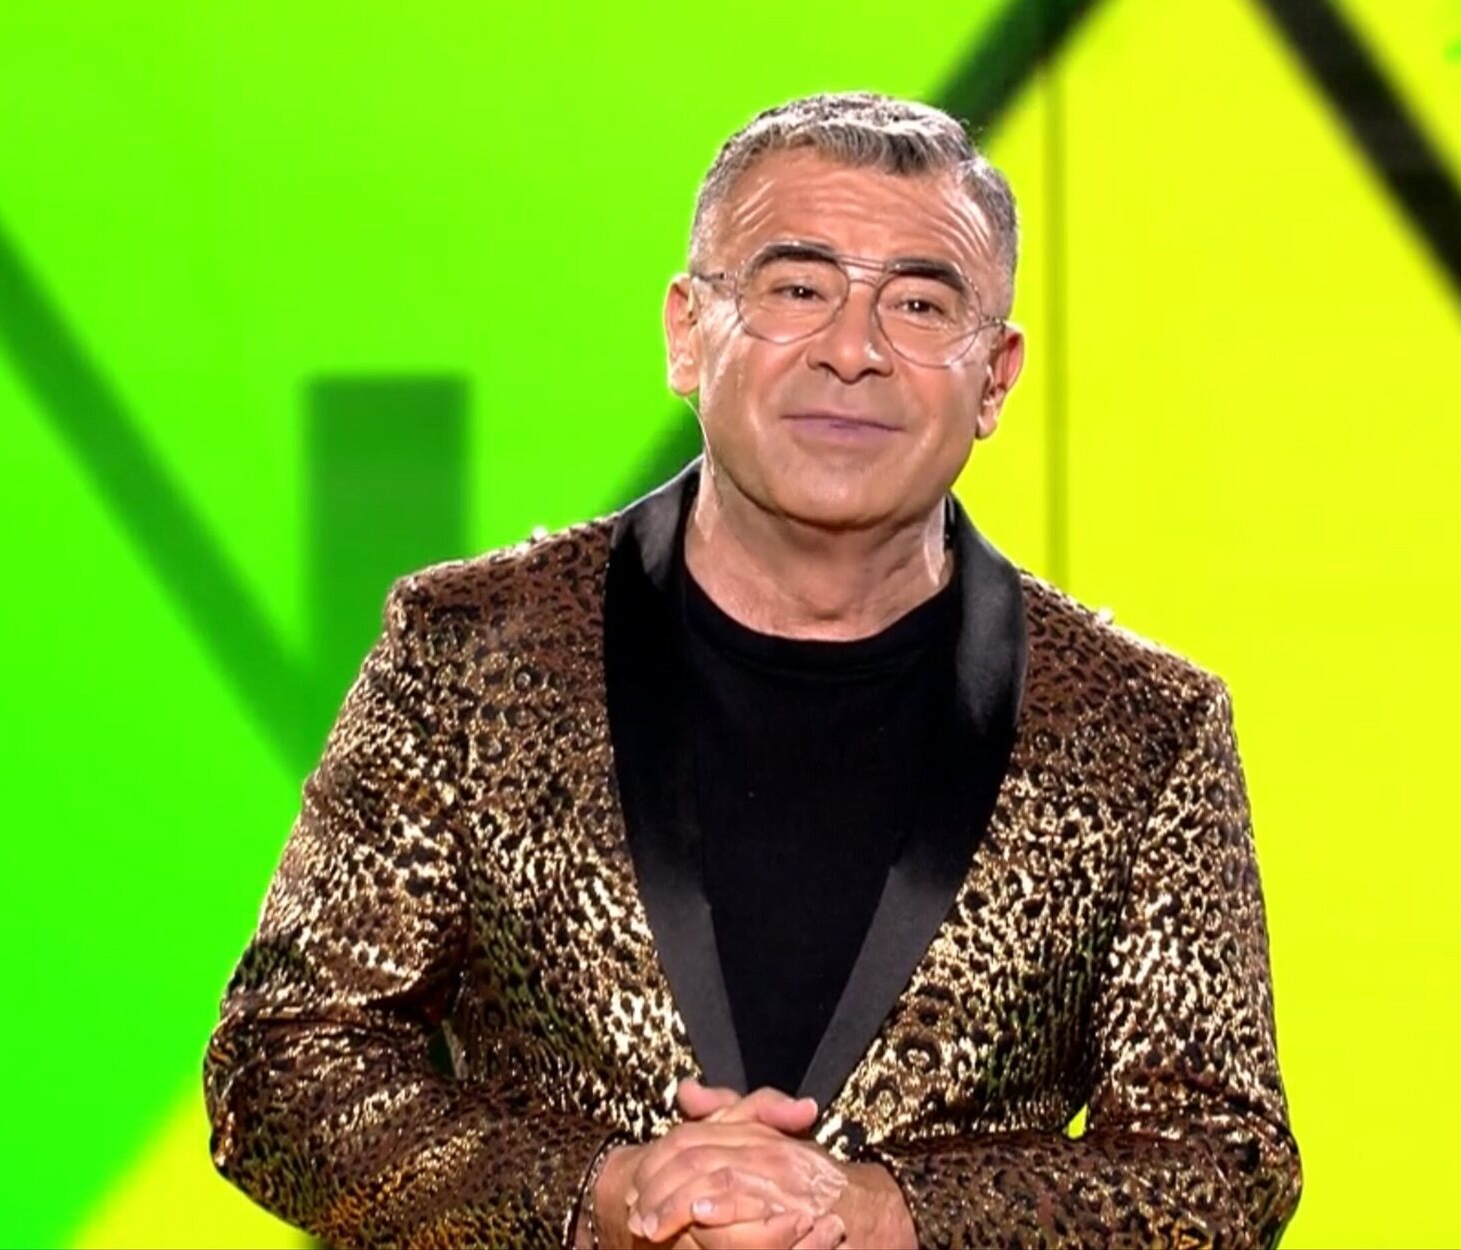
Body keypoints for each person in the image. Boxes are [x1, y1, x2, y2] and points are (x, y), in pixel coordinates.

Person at [204, 91, 1302, 1249]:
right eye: (795, 290)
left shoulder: (1138, 726)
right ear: (687, 331)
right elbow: (279, 1064)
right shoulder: (468, 651)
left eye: (919, 304)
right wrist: (605, 1194)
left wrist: (887, 1215)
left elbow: (1221, 1161)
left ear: (994, 375)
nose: (852, 351)